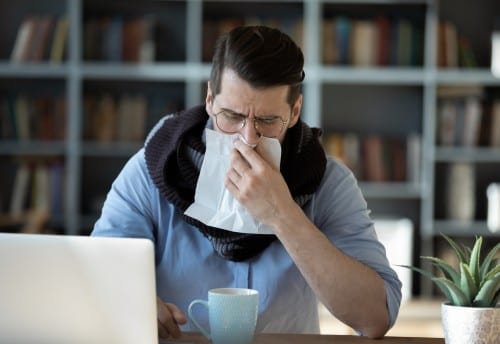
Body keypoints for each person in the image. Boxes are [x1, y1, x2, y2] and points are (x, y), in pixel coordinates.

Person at [91, 25, 402, 339]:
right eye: (231, 116)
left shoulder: (329, 182)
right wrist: (134, 303)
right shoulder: (151, 172)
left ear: (294, 112)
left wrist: (282, 213)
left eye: (267, 121)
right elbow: (95, 276)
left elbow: (376, 317)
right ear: (210, 99)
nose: (247, 138)